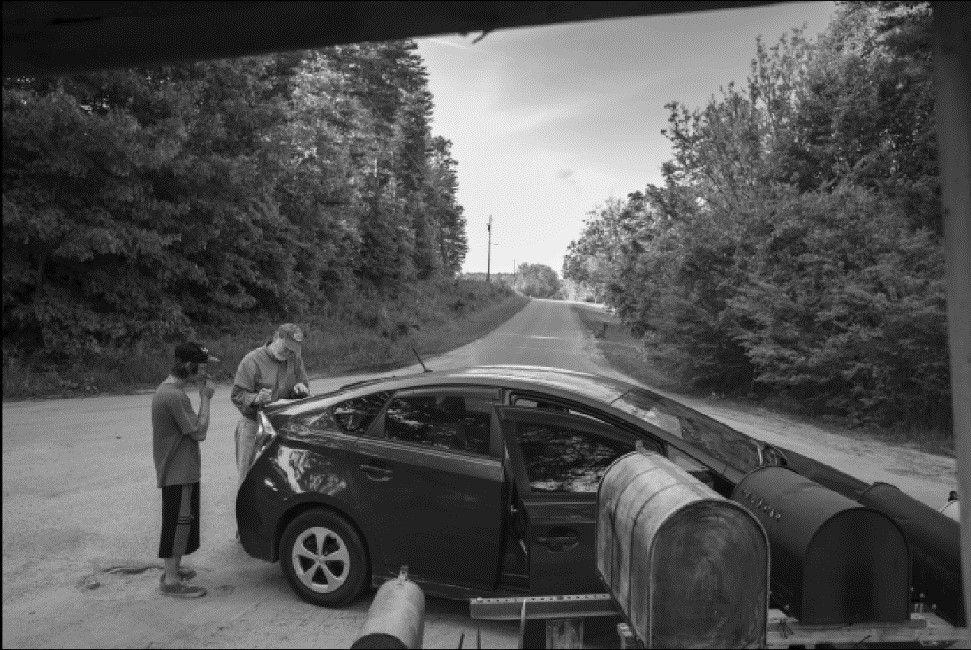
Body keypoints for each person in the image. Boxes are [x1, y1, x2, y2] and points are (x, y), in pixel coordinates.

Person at [152, 341, 218, 598]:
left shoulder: (172, 391)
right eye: (202, 367)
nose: (205, 372)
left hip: (184, 469)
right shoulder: (174, 396)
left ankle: (174, 569)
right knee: (177, 524)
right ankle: (170, 581)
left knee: (182, 521)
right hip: (178, 471)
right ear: (188, 366)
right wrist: (205, 398)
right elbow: (199, 432)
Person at [231, 323, 310, 485]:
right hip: (254, 426)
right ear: (277, 337)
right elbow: (237, 395)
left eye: (293, 349)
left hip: (282, 426)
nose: (289, 352)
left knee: (280, 479)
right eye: (287, 347)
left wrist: (300, 389)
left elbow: (303, 383)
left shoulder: (294, 358)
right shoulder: (251, 361)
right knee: (248, 478)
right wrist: (256, 399)